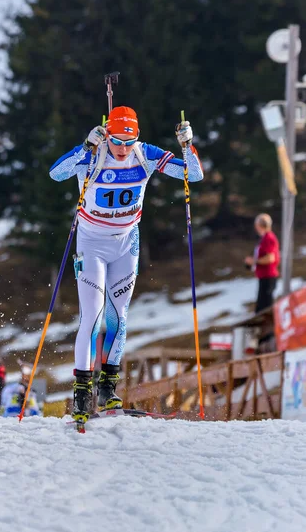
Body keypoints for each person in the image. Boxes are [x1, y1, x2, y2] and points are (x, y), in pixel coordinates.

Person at [49, 106, 203, 423]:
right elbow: (57, 173)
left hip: (126, 244)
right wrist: (85, 147)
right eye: (117, 141)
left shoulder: (143, 154)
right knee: (91, 316)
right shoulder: (94, 154)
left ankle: (107, 389)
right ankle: (82, 391)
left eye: (128, 141)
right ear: (108, 134)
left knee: (118, 316)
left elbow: (193, 174)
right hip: (91, 244)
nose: (122, 149)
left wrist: (187, 145)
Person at [244, 213, 280, 313]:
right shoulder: (264, 238)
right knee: (261, 307)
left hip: (268, 276)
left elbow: (270, 258)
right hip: (263, 276)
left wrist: (254, 261)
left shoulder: (269, 238)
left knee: (265, 308)